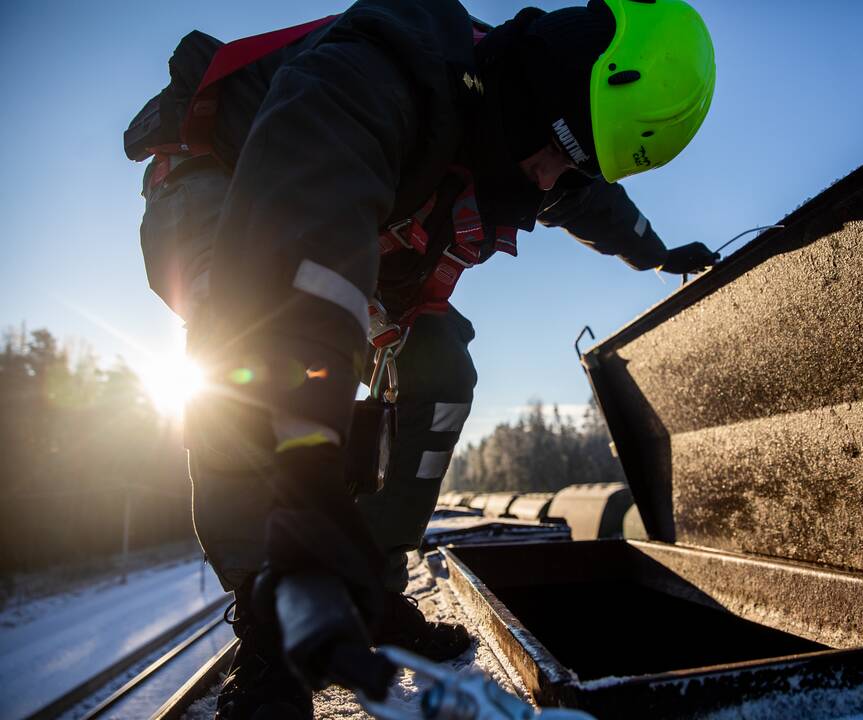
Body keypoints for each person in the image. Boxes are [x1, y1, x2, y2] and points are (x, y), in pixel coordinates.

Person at [126, 0, 715, 716]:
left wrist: (658, 256)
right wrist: (308, 472)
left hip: (356, 220)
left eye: (574, 167)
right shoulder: (383, 67)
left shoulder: (540, 137)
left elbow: (598, 207)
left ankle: (373, 584)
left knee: (440, 366)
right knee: (242, 344)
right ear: (542, 84)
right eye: (558, 149)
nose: (547, 176)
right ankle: (269, 621)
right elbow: (305, 247)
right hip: (222, 176)